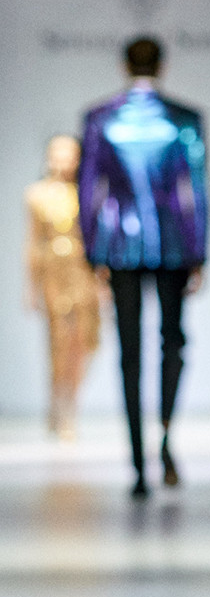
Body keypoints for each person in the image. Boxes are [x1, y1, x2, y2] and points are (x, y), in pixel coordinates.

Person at [78, 36, 209, 498]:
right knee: (172, 341)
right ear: (163, 65)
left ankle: (138, 463)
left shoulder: (99, 118)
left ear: (123, 65)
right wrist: (199, 252)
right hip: (173, 244)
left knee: (129, 352)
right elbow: (195, 190)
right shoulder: (184, 118)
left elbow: (88, 190)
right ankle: (165, 441)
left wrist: (92, 251)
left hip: (119, 247)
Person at [24, 134, 102, 440]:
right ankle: (57, 404)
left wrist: (103, 281)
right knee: (58, 341)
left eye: (70, 154)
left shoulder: (88, 192)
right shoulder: (37, 194)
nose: (64, 160)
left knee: (85, 341)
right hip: (54, 273)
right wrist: (31, 287)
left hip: (84, 271)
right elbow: (33, 242)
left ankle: (72, 403)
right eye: (58, 153)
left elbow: (98, 239)